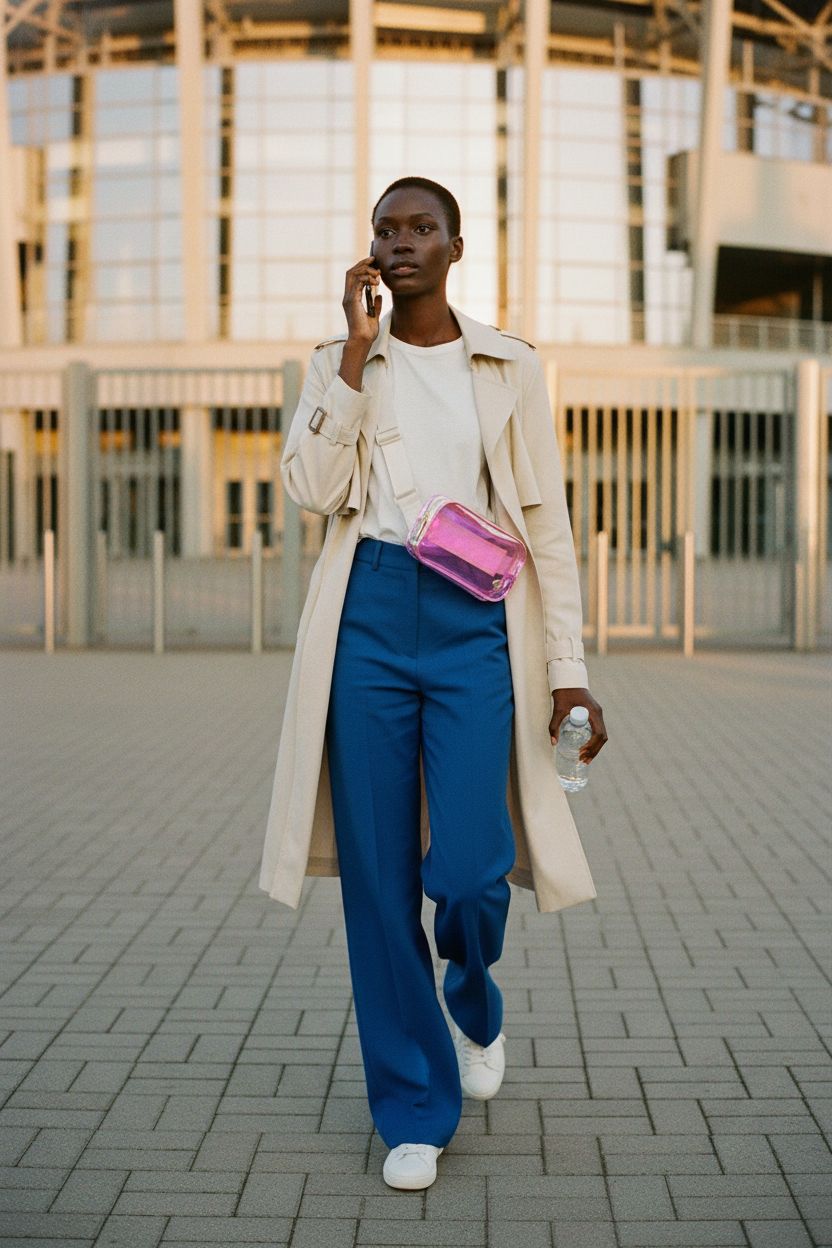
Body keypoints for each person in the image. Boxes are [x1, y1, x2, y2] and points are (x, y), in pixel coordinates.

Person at [259, 175, 608, 1191]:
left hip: (474, 629)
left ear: (457, 246)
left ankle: (474, 987)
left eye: (421, 228)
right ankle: (413, 1105)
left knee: (464, 867)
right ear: (369, 249)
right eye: (386, 228)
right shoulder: (338, 363)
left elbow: (545, 525)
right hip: (366, 619)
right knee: (376, 882)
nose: (400, 242)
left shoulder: (507, 366)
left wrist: (570, 672)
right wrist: (357, 360)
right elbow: (312, 493)